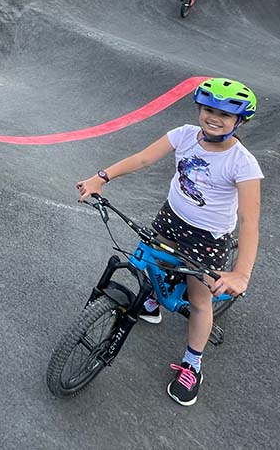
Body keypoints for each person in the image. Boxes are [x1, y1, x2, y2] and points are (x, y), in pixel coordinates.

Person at [76, 78, 262, 407]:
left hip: (208, 238)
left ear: (240, 121)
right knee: (149, 262)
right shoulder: (184, 135)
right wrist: (100, 178)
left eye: (225, 114)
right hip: (171, 219)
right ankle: (152, 300)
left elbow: (249, 222)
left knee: (200, 301)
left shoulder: (242, 163)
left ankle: (193, 363)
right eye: (208, 109)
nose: (213, 118)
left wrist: (241, 274)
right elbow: (143, 159)